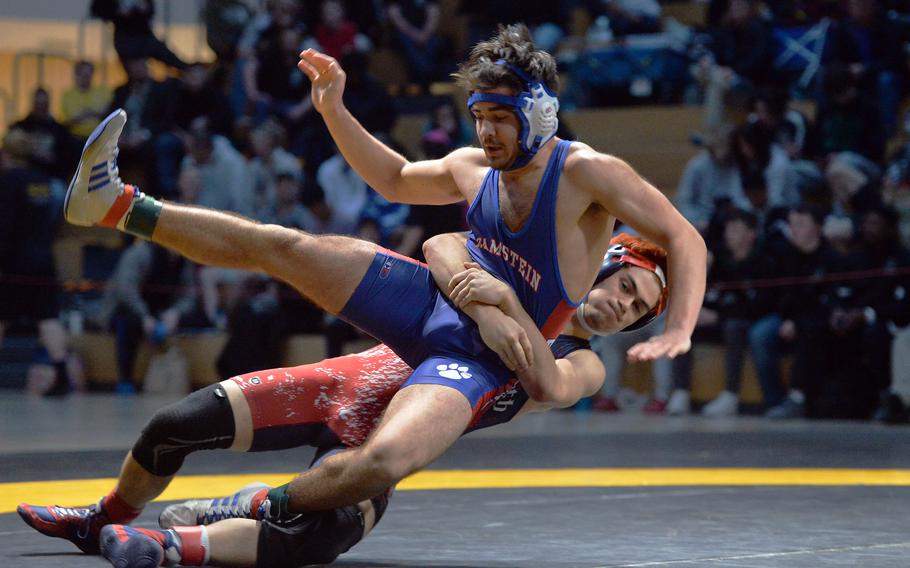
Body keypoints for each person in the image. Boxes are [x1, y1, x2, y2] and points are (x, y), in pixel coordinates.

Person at [32, 21, 704, 537]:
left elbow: (684, 236)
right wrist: (333, 110)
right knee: (287, 247)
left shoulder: (587, 172)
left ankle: (252, 508)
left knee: (383, 461)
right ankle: (119, 205)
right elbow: (393, 177)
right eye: (480, 116)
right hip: (432, 302)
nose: (488, 132)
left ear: (541, 115)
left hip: (481, 358)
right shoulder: (474, 166)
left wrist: (678, 327)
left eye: (502, 118)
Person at [21, 231, 669, 567]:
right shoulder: (523, 280)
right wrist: (488, 294)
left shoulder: (582, 363)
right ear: (605, 266)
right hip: (346, 385)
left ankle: (164, 548)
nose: (622, 307)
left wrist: (499, 309)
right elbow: (444, 245)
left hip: (386, 442)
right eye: (625, 288)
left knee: (317, 538)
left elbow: (551, 385)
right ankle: (101, 518)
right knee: (175, 423)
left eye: (637, 311)